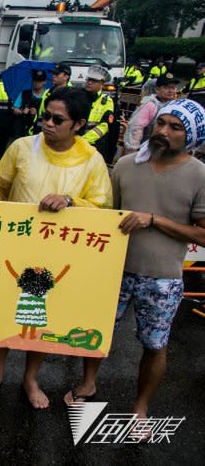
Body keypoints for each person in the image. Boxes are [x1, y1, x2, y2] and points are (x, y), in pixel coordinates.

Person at [63, 99, 205, 430]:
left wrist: (153, 220)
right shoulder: (126, 165)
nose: (163, 131)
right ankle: (88, 383)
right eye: (161, 123)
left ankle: (140, 406)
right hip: (112, 270)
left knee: (155, 346)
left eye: (175, 127)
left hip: (162, 279)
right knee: (95, 331)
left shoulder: (199, 175)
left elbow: (202, 233)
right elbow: (104, 213)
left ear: (192, 136)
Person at [0, 87, 112, 409]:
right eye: (45, 116)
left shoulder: (92, 160)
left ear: (78, 124)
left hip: (59, 254)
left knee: (43, 317)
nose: (47, 123)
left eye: (57, 119)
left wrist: (70, 201)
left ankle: (30, 377)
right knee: (3, 312)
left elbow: (102, 205)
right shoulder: (22, 147)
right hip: (14, 245)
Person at [123, 73, 179, 154]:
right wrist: (133, 150)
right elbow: (135, 127)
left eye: (173, 87)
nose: (170, 91)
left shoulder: (175, 106)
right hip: (147, 150)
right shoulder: (151, 105)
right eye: (166, 87)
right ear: (157, 89)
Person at [81, 65, 116, 160]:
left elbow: (105, 125)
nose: (89, 82)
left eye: (94, 81)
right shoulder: (79, 95)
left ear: (102, 83)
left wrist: (85, 139)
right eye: (88, 79)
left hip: (94, 144)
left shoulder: (106, 101)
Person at [13, 70, 48, 138]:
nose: (37, 83)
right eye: (35, 80)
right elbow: (14, 108)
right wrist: (21, 112)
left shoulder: (48, 95)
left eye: (40, 81)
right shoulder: (24, 93)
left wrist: (37, 114)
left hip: (38, 131)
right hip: (22, 129)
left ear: (45, 81)